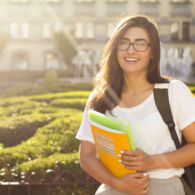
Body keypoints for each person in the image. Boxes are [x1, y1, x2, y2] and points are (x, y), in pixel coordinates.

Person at [76, 15, 195, 195]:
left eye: (140, 44)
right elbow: (86, 156)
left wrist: (150, 162)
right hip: (113, 189)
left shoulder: (173, 91)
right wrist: (116, 183)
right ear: (115, 49)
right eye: (124, 43)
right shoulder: (100, 97)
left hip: (163, 188)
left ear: (152, 51)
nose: (131, 50)